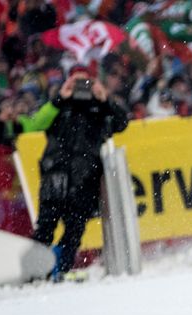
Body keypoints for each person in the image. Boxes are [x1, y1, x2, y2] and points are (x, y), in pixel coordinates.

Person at [32, 65, 129, 282]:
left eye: (86, 81)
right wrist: (59, 98)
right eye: (76, 81)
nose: (81, 86)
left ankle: (61, 268)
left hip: (86, 177)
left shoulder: (100, 107)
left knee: (75, 229)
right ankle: (35, 272)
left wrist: (105, 100)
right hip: (55, 176)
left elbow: (122, 123)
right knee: (45, 226)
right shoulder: (58, 104)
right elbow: (36, 124)